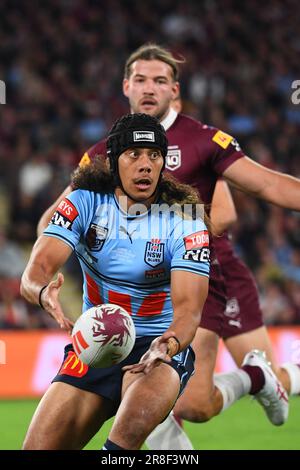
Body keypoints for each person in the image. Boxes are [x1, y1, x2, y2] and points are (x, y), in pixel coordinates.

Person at [37, 44, 300, 446]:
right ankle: (255, 379)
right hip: (148, 291)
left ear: (174, 90)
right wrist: (47, 266)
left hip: (208, 272)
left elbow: (261, 188)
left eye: (160, 81)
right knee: (187, 404)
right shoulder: (106, 153)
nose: (149, 88)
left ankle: (265, 376)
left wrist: (181, 229)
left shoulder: (203, 139)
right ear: (126, 86)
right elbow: (54, 220)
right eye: (140, 79)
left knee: (188, 400)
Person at [20, 113, 211, 450]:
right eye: (133, 154)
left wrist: (167, 345)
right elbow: (38, 268)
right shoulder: (83, 201)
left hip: (157, 348)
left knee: (122, 443)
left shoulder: (186, 219)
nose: (145, 165)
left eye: (154, 156)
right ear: (112, 161)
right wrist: (41, 292)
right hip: (95, 345)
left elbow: (189, 312)